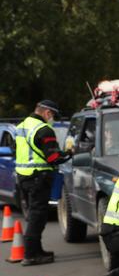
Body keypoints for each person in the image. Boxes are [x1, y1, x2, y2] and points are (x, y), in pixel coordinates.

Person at [15, 100, 72, 266]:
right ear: (47, 113)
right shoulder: (44, 130)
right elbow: (54, 157)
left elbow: (17, 151)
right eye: (53, 115)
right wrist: (69, 152)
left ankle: (36, 251)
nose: (52, 119)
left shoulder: (22, 126)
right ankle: (31, 255)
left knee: (33, 215)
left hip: (23, 176)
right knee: (37, 217)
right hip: (38, 178)